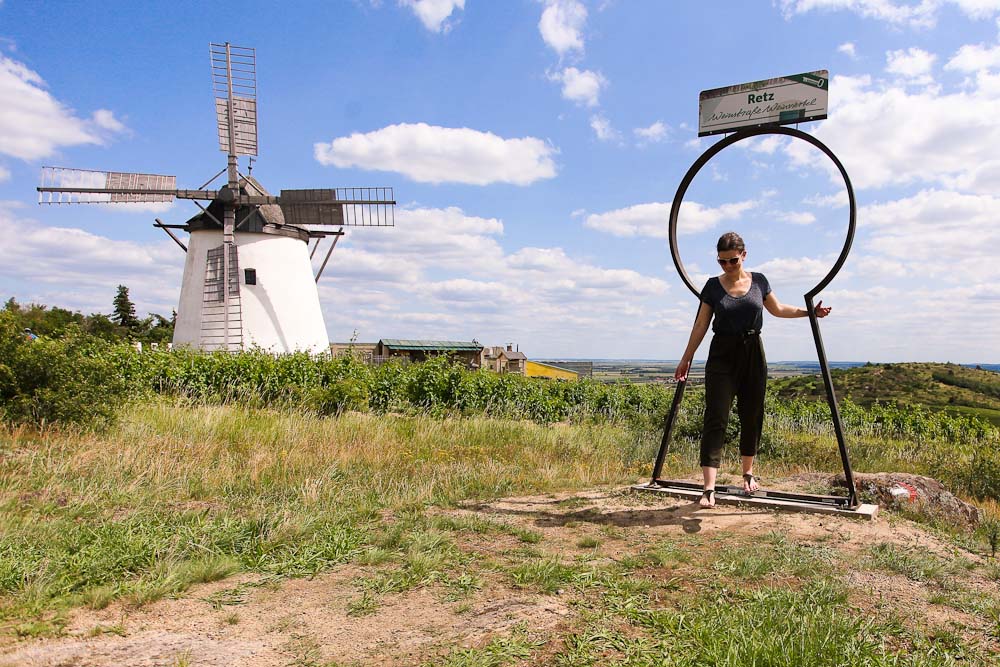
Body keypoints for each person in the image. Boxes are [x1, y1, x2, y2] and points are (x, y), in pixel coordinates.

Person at [674, 232, 832, 508]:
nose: (727, 266)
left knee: (752, 414)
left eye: (732, 260)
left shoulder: (759, 281)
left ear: (744, 255)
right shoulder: (712, 286)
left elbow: (779, 309)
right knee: (716, 417)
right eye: (722, 262)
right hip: (722, 354)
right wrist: (686, 358)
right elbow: (700, 325)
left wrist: (810, 313)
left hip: (753, 353)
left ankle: (747, 474)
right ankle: (708, 488)